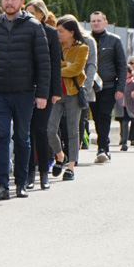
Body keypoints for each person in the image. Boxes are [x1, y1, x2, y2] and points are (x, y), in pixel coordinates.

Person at [0, 0, 50, 201]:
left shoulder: (33, 26)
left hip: (24, 93)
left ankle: (21, 183)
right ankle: (1, 185)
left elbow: (43, 62)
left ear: (22, 2)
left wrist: (42, 94)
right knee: (1, 137)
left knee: (22, 138)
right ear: (1, 2)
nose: (9, 3)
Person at [46, 15, 89, 181]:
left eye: (61, 31)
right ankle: (60, 156)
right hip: (56, 93)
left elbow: (76, 70)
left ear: (72, 32)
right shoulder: (55, 45)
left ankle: (71, 166)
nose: (58, 33)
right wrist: (64, 65)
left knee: (72, 131)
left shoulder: (82, 48)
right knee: (50, 129)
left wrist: (58, 68)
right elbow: (50, 64)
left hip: (73, 94)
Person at [25, 0, 61, 190]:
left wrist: (55, 91)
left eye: (32, 12)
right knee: (26, 131)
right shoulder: (22, 30)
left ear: (42, 14)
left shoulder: (51, 33)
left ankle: (44, 173)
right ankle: (30, 173)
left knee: (41, 130)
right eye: (26, 12)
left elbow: (55, 64)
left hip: (44, 89)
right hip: (24, 88)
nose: (29, 16)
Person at [88, 11, 126, 162]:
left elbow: (122, 66)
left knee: (104, 116)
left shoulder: (114, 41)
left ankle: (102, 149)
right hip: (90, 86)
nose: (96, 23)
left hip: (109, 86)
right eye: (93, 21)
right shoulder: (86, 40)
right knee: (96, 117)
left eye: (98, 21)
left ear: (105, 22)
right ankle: (104, 144)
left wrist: (120, 88)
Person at [116, 58, 134, 151]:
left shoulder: (133, 83)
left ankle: (125, 142)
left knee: (125, 123)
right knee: (122, 123)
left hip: (129, 107)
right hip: (121, 107)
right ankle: (123, 139)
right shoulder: (118, 83)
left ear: (130, 73)